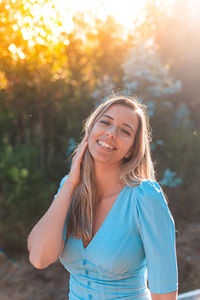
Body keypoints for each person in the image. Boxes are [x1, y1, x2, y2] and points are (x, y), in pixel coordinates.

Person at [27, 95, 178, 300]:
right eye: (105, 122)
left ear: (132, 149)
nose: (111, 133)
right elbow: (39, 258)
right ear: (90, 131)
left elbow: (165, 293)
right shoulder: (70, 189)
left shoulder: (146, 196)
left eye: (125, 131)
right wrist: (70, 183)